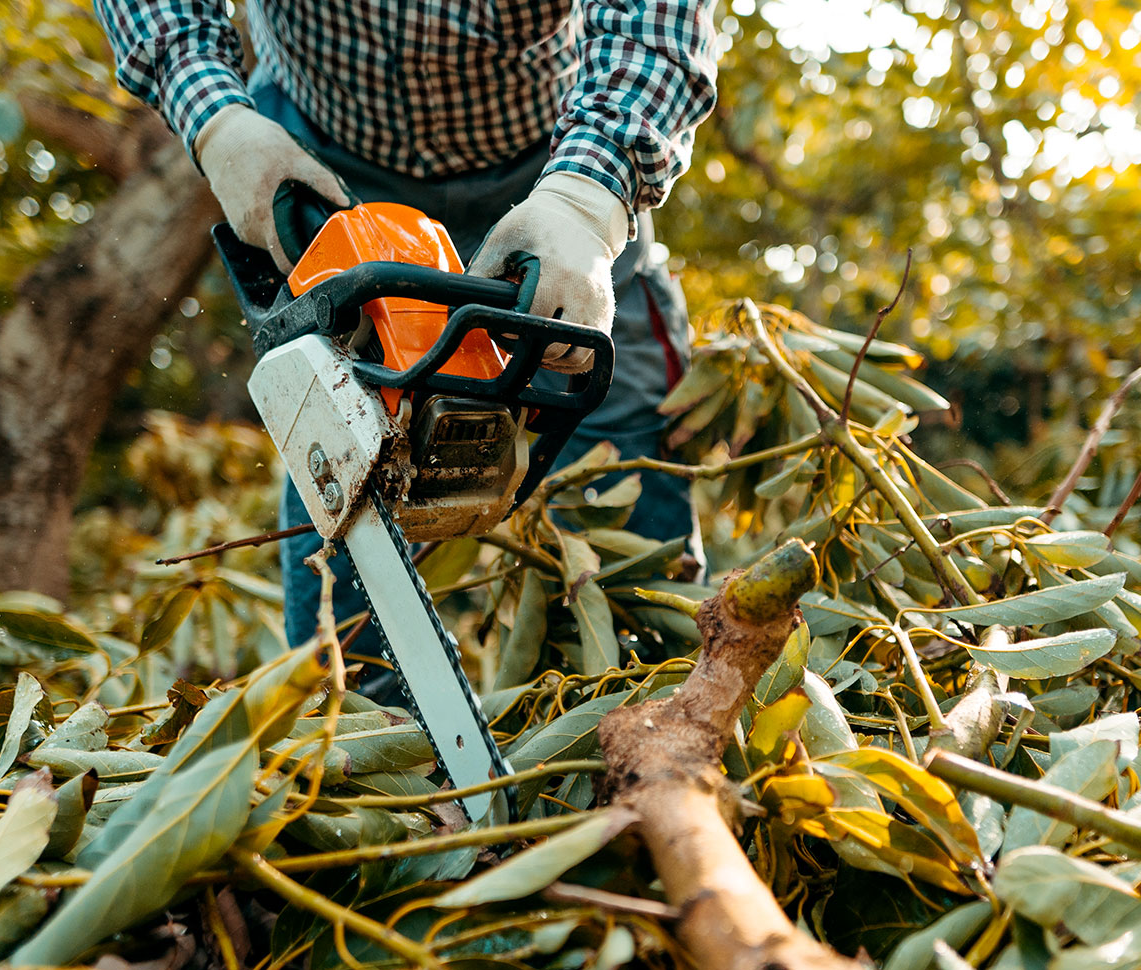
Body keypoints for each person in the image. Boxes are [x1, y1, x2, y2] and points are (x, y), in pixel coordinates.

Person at [96, 0, 718, 647]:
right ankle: (362, 710)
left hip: (560, 163)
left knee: (620, 436)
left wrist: (588, 201)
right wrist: (214, 116)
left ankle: (650, 699)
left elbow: (656, 17)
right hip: (320, 168)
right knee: (341, 441)